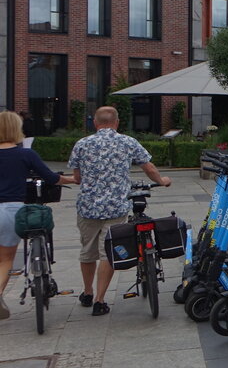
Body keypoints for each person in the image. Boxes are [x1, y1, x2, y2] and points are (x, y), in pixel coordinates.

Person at [68, 106, 171, 316]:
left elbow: (77, 178)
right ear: (117, 123)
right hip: (116, 207)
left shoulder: (82, 144)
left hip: (88, 207)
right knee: (109, 251)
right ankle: (99, 300)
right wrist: (162, 180)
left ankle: (87, 292)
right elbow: (148, 167)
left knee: (87, 251)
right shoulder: (127, 141)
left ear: (95, 123)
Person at [0, 112, 70, 320]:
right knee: (5, 260)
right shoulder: (25, 154)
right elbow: (51, 177)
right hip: (11, 209)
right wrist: (73, 180)